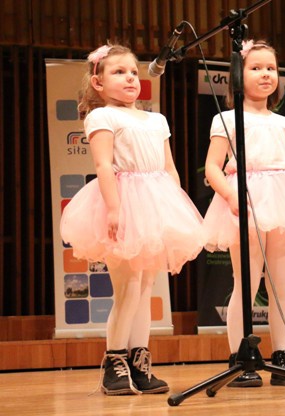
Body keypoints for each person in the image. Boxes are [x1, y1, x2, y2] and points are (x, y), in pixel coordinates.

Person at [60, 43, 205, 395]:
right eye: (118, 72)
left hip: (155, 204)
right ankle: (114, 362)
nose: (129, 78)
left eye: (132, 72)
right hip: (123, 202)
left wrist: (175, 206)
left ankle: (140, 360)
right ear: (98, 83)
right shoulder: (101, 116)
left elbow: (169, 167)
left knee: (144, 288)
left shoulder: (156, 119)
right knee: (126, 288)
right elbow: (103, 165)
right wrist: (114, 208)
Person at [202, 39, 285, 387]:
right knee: (247, 280)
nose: (265, 74)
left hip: (282, 199)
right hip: (245, 200)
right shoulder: (226, 119)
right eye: (256, 67)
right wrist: (231, 196)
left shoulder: (283, 123)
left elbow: (284, 167)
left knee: (281, 285)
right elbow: (213, 167)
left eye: (271, 68)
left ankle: (283, 356)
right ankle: (240, 355)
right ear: (237, 74)